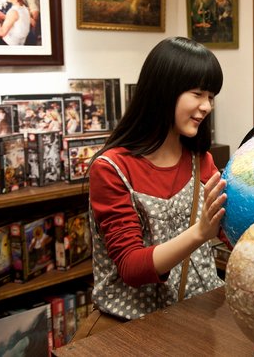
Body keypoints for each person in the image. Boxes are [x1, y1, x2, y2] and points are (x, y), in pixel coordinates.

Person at [88, 36, 226, 320]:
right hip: (137, 326)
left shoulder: (201, 160)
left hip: (198, 316)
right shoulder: (111, 168)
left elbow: (230, 229)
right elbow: (131, 268)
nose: (206, 107)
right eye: (198, 94)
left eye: (211, 97)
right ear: (164, 90)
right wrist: (200, 232)